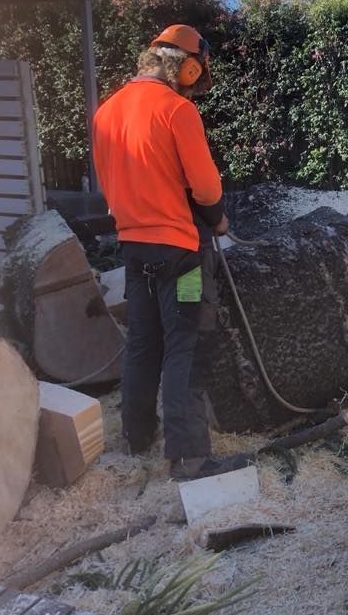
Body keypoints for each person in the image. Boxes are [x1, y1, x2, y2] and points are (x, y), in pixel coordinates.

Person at [92, 24, 242, 480]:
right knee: (187, 346)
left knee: (143, 344)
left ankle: (137, 438)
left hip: (135, 250)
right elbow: (205, 183)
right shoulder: (177, 110)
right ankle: (190, 457)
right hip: (183, 256)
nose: (194, 87)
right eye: (195, 76)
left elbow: (107, 184)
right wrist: (217, 217)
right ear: (186, 66)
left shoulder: (106, 112)